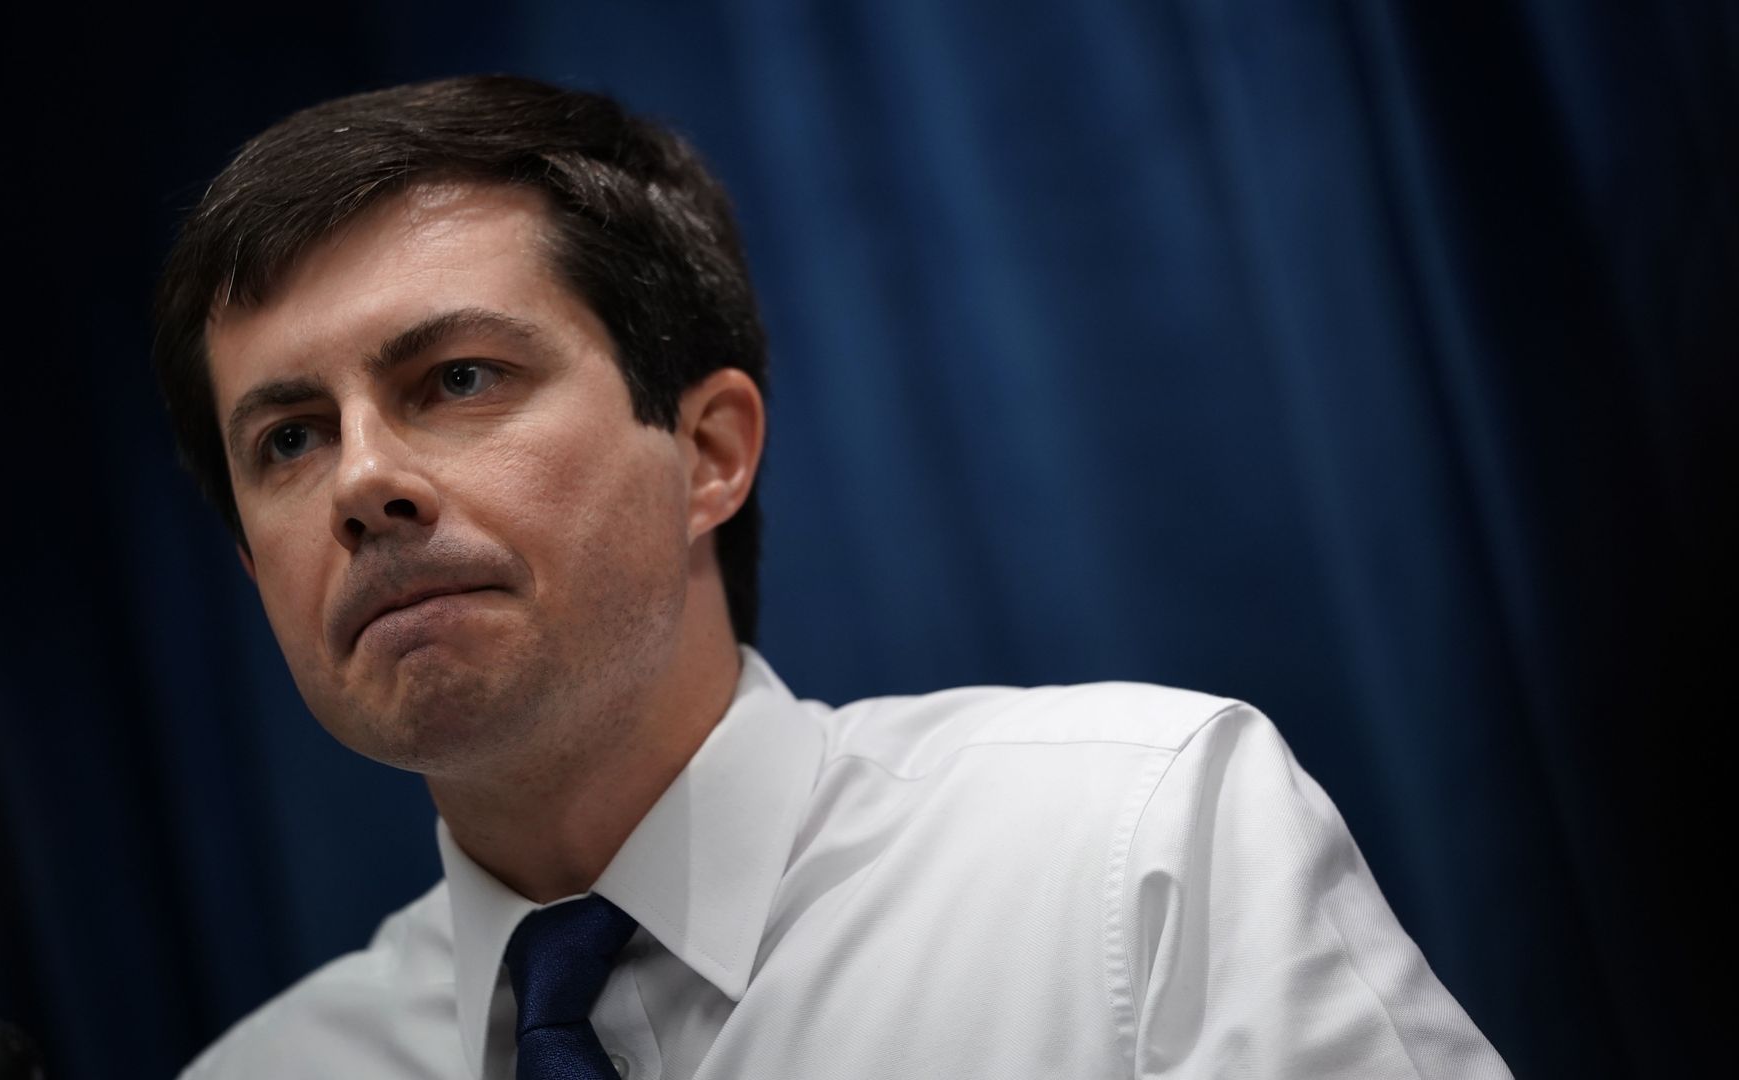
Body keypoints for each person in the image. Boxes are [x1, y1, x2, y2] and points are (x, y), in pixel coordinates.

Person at [153, 74, 1511, 1079]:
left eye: (457, 379)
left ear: (709, 453)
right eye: (289, 439)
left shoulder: (1135, 844)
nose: (361, 480)